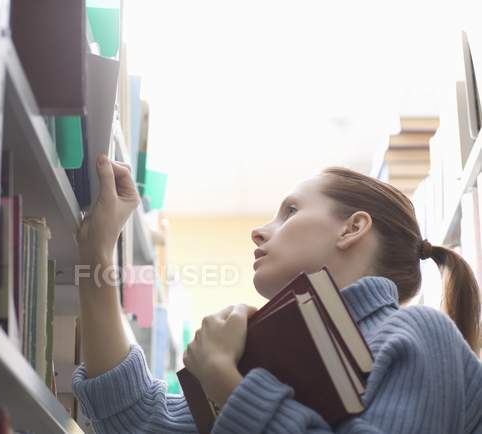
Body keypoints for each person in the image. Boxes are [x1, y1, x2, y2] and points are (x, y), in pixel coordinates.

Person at [72, 154, 482, 433]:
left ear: (352, 228)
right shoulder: (270, 355)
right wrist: (96, 252)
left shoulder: (419, 334)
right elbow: (137, 420)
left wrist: (220, 376)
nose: (260, 230)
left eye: (290, 211)